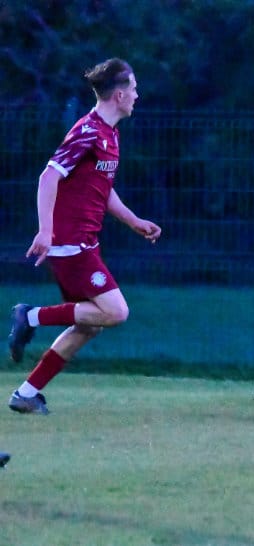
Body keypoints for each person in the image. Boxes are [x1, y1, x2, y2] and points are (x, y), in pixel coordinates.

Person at [7, 58, 161, 415]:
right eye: (134, 89)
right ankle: (29, 316)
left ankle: (26, 394)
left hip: (84, 242)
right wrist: (45, 230)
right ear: (119, 95)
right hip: (69, 244)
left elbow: (101, 190)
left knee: (90, 324)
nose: (137, 95)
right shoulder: (88, 131)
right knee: (116, 312)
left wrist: (134, 221)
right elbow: (49, 176)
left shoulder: (110, 134)